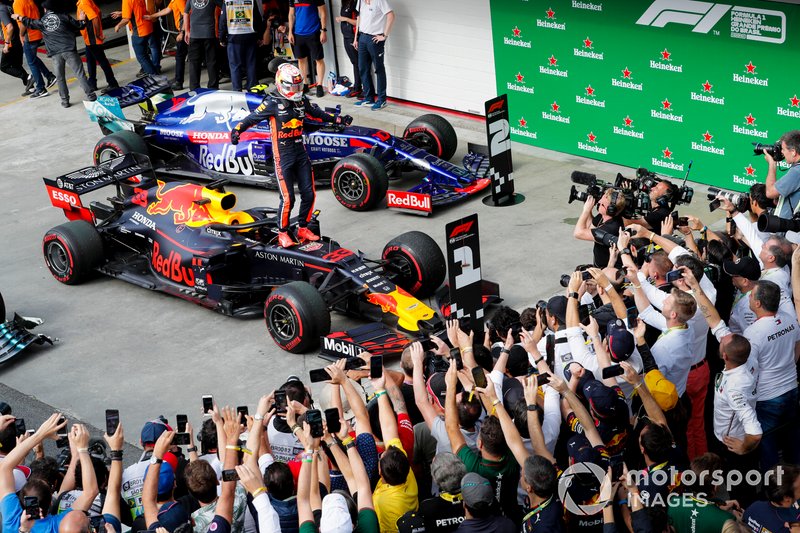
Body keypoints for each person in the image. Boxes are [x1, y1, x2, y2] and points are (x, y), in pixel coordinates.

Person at [231, 62, 352, 248]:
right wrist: (237, 130)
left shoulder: (302, 100)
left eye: (298, 86)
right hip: (282, 156)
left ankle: (303, 227)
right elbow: (252, 118)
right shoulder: (272, 102)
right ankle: (283, 232)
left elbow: (317, 113)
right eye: (292, 86)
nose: (296, 90)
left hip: (300, 152)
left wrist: (338, 119)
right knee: (288, 198)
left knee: (309, 194)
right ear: (282, 83)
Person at [11, 5, 97, 108]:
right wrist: (82, 20)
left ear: (45, 9)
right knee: (80, 74)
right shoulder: (64, 16)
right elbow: (79, 26)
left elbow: (29, 22)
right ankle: (91, 96)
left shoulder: (42, 21)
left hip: (55, 54)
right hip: (69, 50)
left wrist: (18, 17)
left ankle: (65, 101)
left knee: (60, 78)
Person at [353, 0, 393, 110]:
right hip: (362, 38)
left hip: (375, 39)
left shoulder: (380, 1)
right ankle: (369, 98)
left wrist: (384, 35)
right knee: (363, 69)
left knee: (379, 69)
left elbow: (391, 15)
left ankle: (381, 100)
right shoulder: (360, 1)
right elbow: (359, 18)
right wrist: (356, 37)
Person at [12, 0, 55, 98]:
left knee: (31, 62)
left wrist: (21, 35)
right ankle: (49, 76)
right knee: (33, 58)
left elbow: (23, 21)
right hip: (37, 33)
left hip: (29, 36)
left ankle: (41, 88)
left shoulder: (17, 3)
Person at [573, 189, 626, 268]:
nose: (599, 202)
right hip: (600, 265)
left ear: (610, 210)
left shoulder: (611, 228)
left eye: (602, 204)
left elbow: (578, 233)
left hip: (609, 269)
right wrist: (589, 210)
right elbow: (591, 227)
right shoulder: (604, 217)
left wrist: (586, 210)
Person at [218, 0, 263, 91]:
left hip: (234, 37)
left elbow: (223, 20)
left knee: (235, 66)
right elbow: (257, 18)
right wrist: (259, 36)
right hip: (250, 35)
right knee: (251, 64)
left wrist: (222, 38)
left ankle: (237, 90)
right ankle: (252, 89)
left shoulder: (227, 1)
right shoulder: (251, 0)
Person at [76, 0, 119, 92]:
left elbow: (94, 17)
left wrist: (98, 34)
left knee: (102, 61)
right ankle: (92, 83)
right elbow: (98, 13)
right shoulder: (87, 1)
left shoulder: (83, 3)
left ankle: (113, 83)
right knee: (90, 60)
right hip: (89, 39)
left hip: (92, 39)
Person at [144, 0, 187, 89]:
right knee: (183, 56)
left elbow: (185, 15)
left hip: (185, 31)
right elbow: (167, 9)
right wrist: (152, 16)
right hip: (185, 30)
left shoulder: (179, 0)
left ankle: (179, 81)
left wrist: (182, 32)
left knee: (180, 56)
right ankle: (178, 79)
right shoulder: (174, 0)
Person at [288, 0, 325, 97]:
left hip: (313, 32)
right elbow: (291, 14)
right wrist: (290, 32)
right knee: (301, 59)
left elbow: (323, 12)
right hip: (298, 33)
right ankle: (305, 84)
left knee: (318, 59)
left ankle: (320, 85)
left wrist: (323, 30)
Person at [183, 0, 222, 89]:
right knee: (211, 61)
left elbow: (186, 13)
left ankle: (194, 88)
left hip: (195, 34)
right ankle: (213, 87)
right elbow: (225, 7)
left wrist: (187, 31)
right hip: (209, 33)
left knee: (194, 62)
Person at [113, 0, 158, 76]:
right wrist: (122, 13)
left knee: (141, 56)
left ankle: (154, 75)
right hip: (147, 26)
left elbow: (126, 19)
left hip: (139, 31)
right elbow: (135, 10)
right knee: (145, 54)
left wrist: (118, 25)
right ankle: (154, 71)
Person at [764, 130, 800, 219]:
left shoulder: (797, 172)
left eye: (783, 149)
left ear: (793, 152)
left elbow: (769, 192)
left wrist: (772, 164)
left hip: (787, 229)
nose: (782, 152)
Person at [1, 0, 33, 95]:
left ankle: (28, 77)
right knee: (17, 65)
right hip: (18, 40)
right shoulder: (8, 6)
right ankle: (31, 87)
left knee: (4, 66)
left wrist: (6, 44)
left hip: (11, 43)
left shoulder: (1, 9)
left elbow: (10, 27)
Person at [335, 0, 361, 98]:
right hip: (346, 36)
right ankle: (357, 86)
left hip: (353, 36)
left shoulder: (356, 3)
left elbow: (358, 21)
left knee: (358, 63)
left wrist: (344, 19)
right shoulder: (345, 2)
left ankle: (359, 88)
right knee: (354, 62)